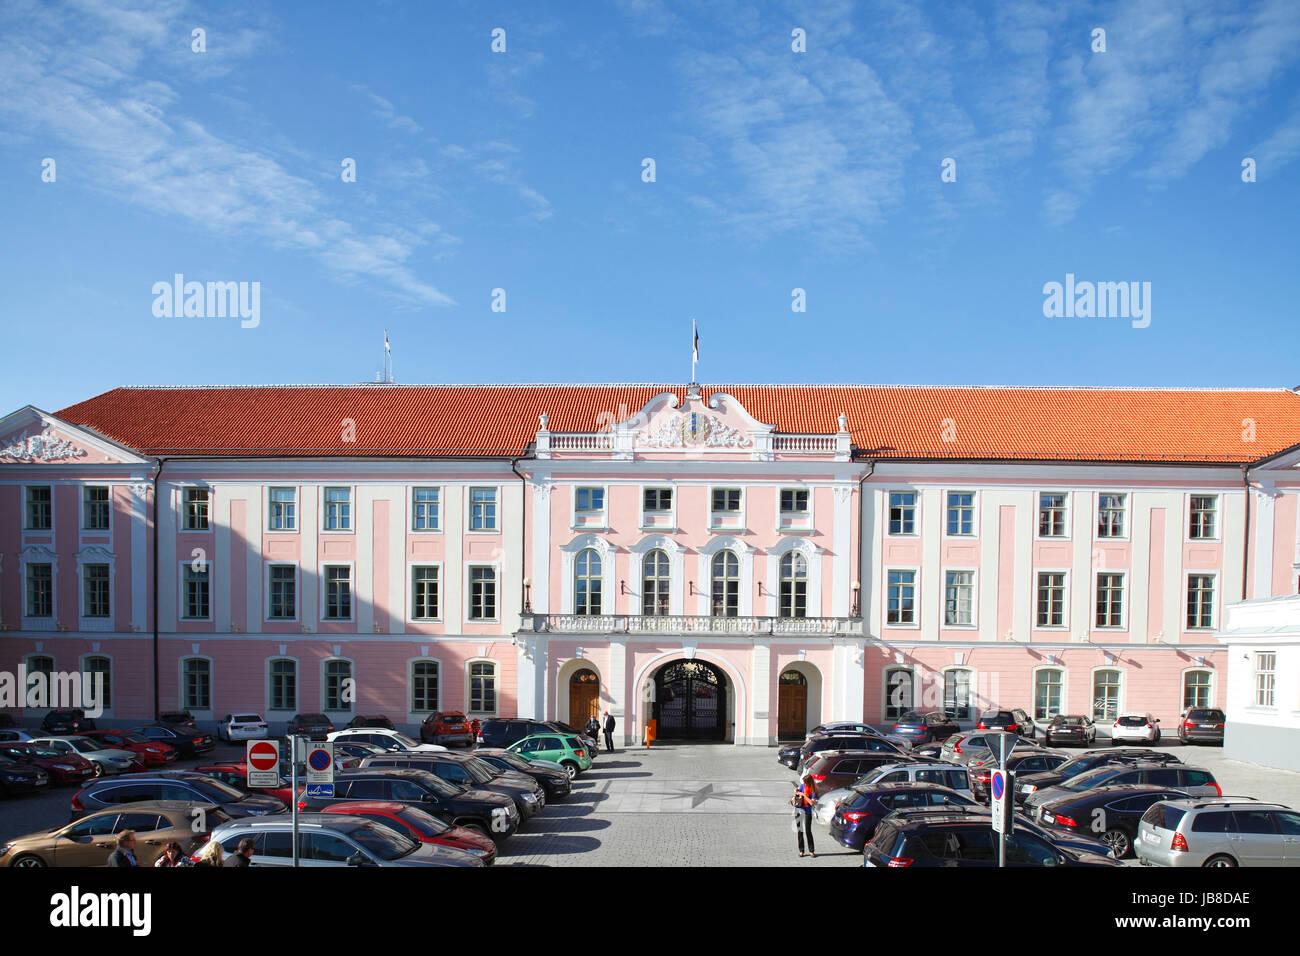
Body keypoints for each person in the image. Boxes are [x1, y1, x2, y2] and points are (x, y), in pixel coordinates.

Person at [793, 776, 816, 858]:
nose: (804, 784)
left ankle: (811, 850)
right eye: (804, 782)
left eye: (805, 782)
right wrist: (796, 791)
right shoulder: (802, 786)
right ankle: (801, 850)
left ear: (809, 782)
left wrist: (804, 795)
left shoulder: (813, 790)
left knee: (808, 831)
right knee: (800, 831)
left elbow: (812, 803)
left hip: (807, 812)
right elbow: (797, 790)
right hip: (799, 810)